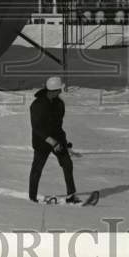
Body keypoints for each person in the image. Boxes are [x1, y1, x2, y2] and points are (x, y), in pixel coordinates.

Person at [28, 75, 77, 203]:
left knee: (67, 163)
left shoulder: (59, 104)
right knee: (37, 169)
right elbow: (37, 128)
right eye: (59, 90)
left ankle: (71, 195)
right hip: (41, 142)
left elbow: (58, 127)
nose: (61, 92)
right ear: (53, 90)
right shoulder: (37, 105)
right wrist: (51, 141)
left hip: (58, 141)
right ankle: (32, 198)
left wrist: (65, 145)